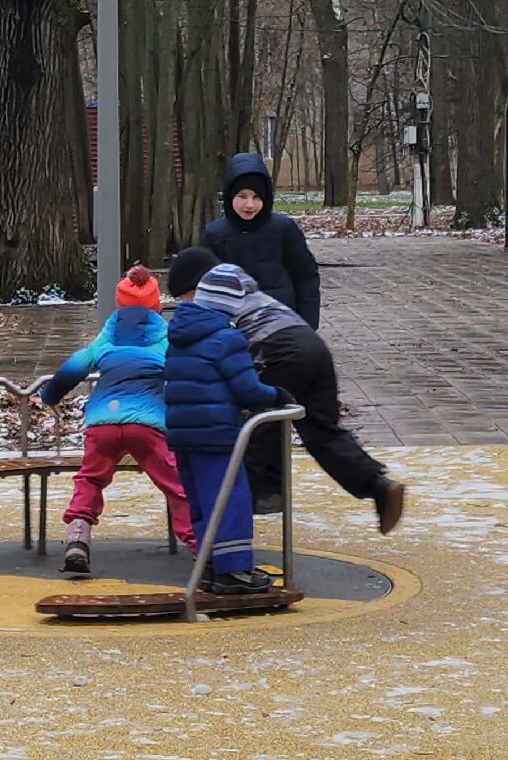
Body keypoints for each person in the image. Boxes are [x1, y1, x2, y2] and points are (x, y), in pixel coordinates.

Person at [195, 260, 405, 534]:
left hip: (279, 349)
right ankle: (378, 485)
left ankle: (257, 497)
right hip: (311, 344)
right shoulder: (257, 297)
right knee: (322, 430)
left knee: (256, 422)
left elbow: (225, 358)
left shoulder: (219, 305)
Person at [36, 265, 195, 574]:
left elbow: (74, 367)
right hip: (147, 424)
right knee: (176, 486)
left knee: (91, 479)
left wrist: (50, 396)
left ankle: (78, 538)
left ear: (118, 304)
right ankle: (202, 548)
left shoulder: (107, 338)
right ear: (156, 306)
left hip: (102, 421)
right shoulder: (166, 338)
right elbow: (186, 374)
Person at [161, 246, 290, 595]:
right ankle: (233, 570)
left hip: (182, 435)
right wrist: (276, 396)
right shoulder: (227, 339)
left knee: (201, 500)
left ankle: (208, 565)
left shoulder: (178, 335)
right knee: (230, 497)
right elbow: (247, 390)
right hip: (216, 434)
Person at [201, 152, 321, 328]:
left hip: (282, 325)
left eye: (256, 197)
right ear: (229, 197)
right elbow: (203, 288)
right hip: (232, 330)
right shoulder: (214, 235)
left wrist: (307, 325)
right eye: (242, 196)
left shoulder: (284, 230)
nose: (249, 204)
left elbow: (306, 277)